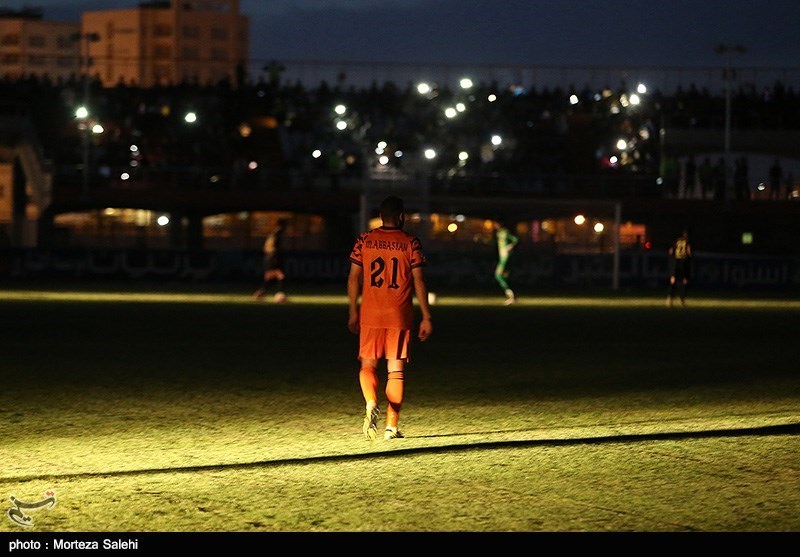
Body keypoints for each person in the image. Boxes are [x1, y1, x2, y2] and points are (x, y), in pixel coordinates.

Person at [347, 195, 433, 441]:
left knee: (367, 364)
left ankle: (370, 401)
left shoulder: (364, 240)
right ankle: (391, 427)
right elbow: (419, 280)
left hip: (370, 313)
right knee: (395, 370)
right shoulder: (410, 242)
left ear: (381, 216)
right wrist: (426, 316)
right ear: (402, 216)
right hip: (398, 314)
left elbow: (353, 278)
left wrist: (353, 310)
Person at [253, 219, 288, 301]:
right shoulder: (277, 234)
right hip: (273, 256)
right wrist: (275, 257)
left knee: (269, 276)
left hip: (268, 257)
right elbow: (273, 247)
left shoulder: (272, 234)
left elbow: (266, 247)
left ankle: (260, 293)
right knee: (280, 275)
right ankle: (280, 295)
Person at [493, 220, 519, 305]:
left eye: (496, 223)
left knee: (498, 275)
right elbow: (493, 243)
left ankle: (511, 296)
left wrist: (509, 247)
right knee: (504, 277)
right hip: (502, 257)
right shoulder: (498, 233)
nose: (495, 225)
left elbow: (515, 239)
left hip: (505, 257)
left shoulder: (505, 232)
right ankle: (512, 296)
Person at [666, 229, 692, 307]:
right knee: (684, 281)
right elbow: (689, 252)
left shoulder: (676, 241)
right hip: (684, 262)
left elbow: (670, 251)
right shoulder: (687, 242)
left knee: (673, 280)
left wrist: (672, 259)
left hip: (676, 262)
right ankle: (682, 299)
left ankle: (670, 299)